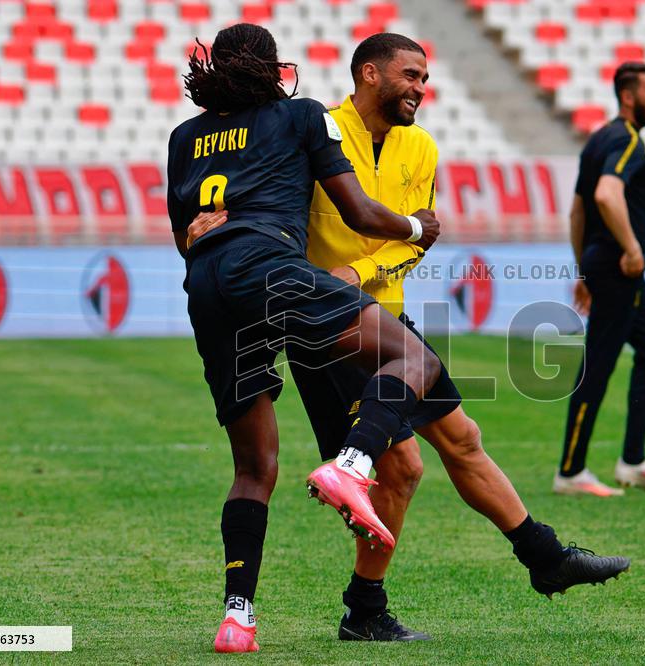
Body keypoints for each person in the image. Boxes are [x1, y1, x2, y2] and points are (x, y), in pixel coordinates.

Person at [188, 33, 631, 643]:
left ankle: (544, 557)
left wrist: (363, 271)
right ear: (370, 74)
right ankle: (365, 605)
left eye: (425, 78)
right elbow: (272, 205)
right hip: (326, 325)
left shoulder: (421, 147)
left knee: (462, 438)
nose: (421, 88)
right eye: (411, 75)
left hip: (381, 311)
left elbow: (417, 239)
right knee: (401, 466)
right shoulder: (313, 128)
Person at [167, 23, 444, 653]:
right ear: (274, 69)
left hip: (206, 284)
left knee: (253, 467)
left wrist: (206, 235)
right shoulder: (300, 115)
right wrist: (415, 227)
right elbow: (359, 213)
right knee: (412, 356)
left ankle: (237, 618)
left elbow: (185, 236)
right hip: (270, 266)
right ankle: (352, 464)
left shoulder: (184, 137)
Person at [554, 62, 645, 498]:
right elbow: (607, 195)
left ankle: (633, 462)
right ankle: (571, 472)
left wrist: (582, 270)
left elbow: (577, 211)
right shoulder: (627, 141)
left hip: (604, 268)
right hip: (618, 269)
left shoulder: (598, 139)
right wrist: (632, 249)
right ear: (629, 97)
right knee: (599, 365)